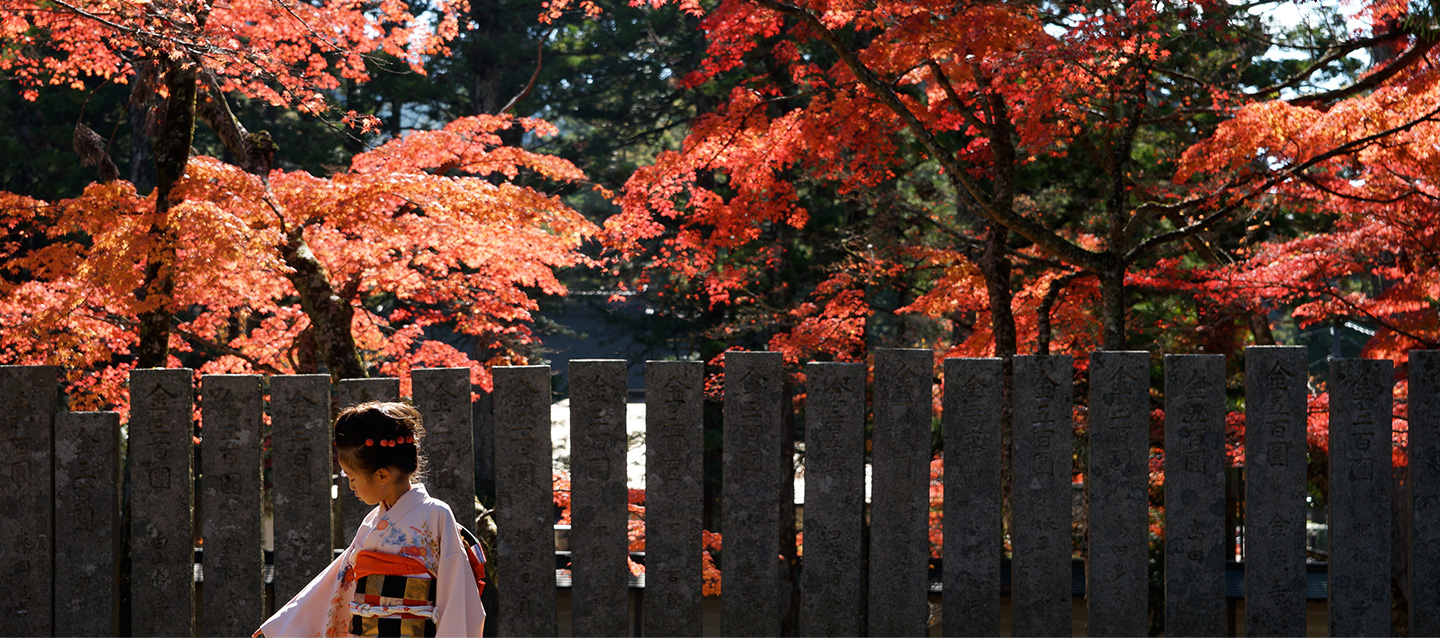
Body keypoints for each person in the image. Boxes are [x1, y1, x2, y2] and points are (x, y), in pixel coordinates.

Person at [256, 402, 486, 637]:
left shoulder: (436, 515)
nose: (351, 486)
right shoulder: (371, 523)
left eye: (353, 478)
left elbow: (457, 596)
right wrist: (282, 627)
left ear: (382, 475)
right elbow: (333, 583)